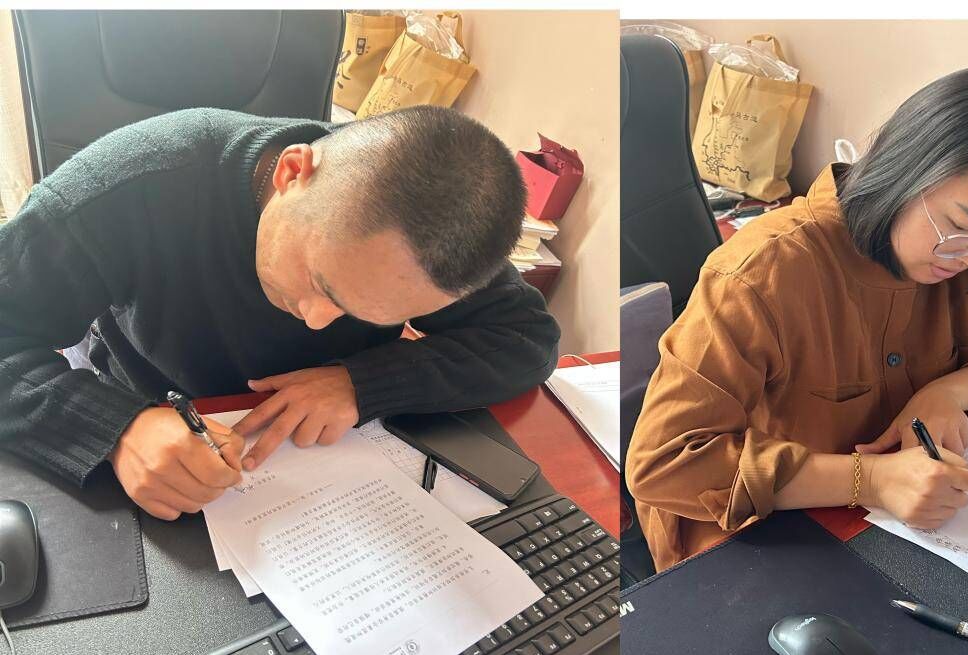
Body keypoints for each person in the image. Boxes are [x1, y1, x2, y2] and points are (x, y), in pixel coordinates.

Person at [626, 65, 968, 571]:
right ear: (903, 171)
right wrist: (868, 479)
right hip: (762, 535)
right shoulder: (761, 273)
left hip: (895, 525)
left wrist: (949, 392)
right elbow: (664, 463)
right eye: (962, 225)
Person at [0, 105, 559, 521]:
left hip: (325, 466)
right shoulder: (123, 189)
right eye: (321, 283)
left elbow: (526, 338)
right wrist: (118, 427)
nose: (315, 321)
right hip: (153, 413)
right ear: (292, 173)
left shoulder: (431, 237)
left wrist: (363, 383)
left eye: (367, 314)